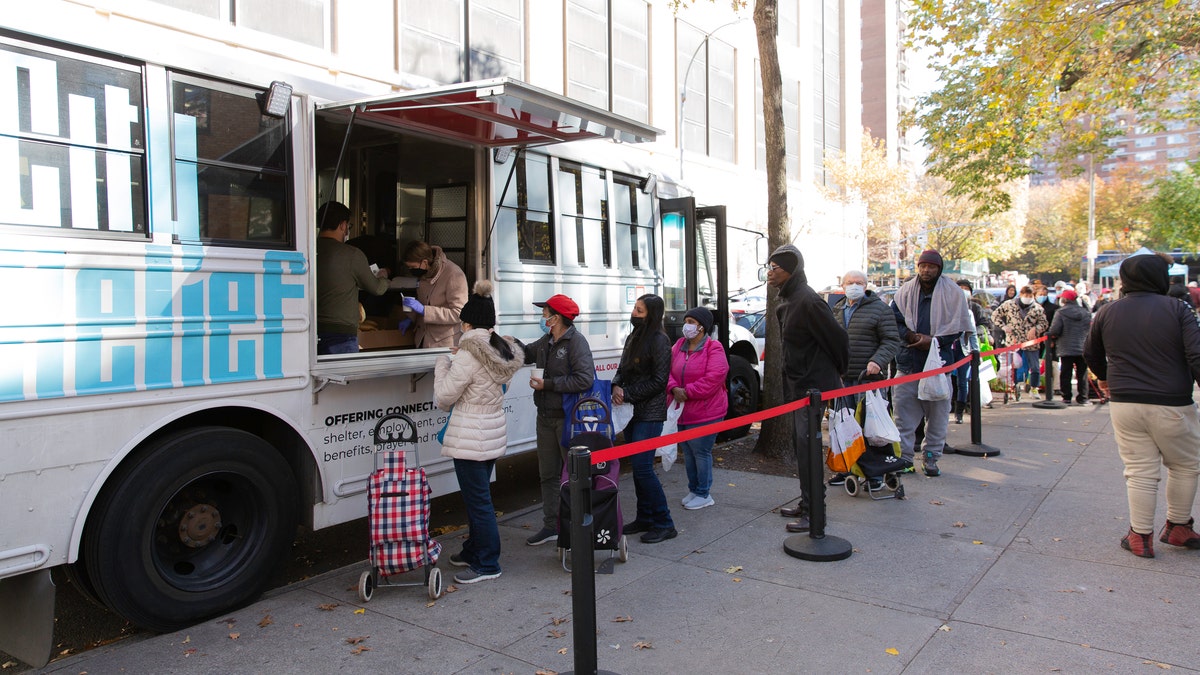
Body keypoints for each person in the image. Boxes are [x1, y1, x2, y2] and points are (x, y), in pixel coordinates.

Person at [1084, 253, 1200, 558]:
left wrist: (1107, 379)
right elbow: (1196, 355)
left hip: (1124, 403)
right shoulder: (1178, 308)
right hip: (1172, 402)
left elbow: (1091, 353)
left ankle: (1140, 536)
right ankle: (1177, 526)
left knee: (1139, 471)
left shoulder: (1108, 311)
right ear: (1161, 278)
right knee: (1186, 465)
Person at [433, 281, 524, 584]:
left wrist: (442, 365)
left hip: (470, 435)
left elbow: (444, 398)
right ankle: (473, 551)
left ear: (467, 323)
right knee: (478, 498)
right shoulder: (501, 348)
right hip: (491, 431)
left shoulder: (467, 354)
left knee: (479, 502)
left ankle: (487, 564)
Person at [767, 245, 848, 532]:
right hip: (797, 388)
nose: (769, 273)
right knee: (801, 449)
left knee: (809, 449)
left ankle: (815, 512)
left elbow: (838, 341)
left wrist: (836, 374)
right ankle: (806, 502)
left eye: (774, 268)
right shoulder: (788, 301)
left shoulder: (809, 301)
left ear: (790, 270)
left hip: (812, 390)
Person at [511, 294, 594, 547]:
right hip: (544, 417)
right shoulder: (547, 341)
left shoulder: (576, 343)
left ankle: (577, 527)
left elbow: (585, 379)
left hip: (567, 419)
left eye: (545, 312)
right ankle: (551, 526)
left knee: (573, 475)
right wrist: (505, 341)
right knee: (547, 474)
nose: (542, 317)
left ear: (556, 318)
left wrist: (548, 384)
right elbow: (525, 354)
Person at [890, 249, 972, 477]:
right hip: (908, 364)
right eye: (922, 266)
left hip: (939, 366)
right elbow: (894, 320)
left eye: (931, 266)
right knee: (904, 417)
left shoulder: (953, 293)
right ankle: (904, 459)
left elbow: (958, 327)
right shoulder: (905, 291)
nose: (926, 270)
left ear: (939, 268)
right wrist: (912, 337)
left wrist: (934, 341)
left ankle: (930, 458)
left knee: (937, 419)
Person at [612, 294, 676, 544]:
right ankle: (645, 517)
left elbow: (660, 382)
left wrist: (628, 394)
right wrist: (616, 386)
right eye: (634, 308)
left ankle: (664, 522)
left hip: (649, 413)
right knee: (639, 470)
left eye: (639, 310)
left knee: (642, 468)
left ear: (651, 314)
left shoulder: (660, 341)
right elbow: (621, 368)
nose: (634, 313)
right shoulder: (634, 337)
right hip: (630, 413)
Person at [828, 269, 901, 486]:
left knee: (870, 430)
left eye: (859, 282)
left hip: (867, 380)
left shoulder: (880, 310)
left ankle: (874, 474)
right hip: (842, 379)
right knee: (843, 426)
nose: (854, 286)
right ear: (843, 286)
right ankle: (847, 468)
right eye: (850, 282)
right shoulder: (837, 310)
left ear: (866, 286)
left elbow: (891, 341)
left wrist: (877, 361)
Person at [667, 307, 729, 512]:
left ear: (702, 327)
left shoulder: (714, 347)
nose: (687, 325)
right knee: (688, 451)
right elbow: (667, 371)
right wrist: (674, 388)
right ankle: (694, 489)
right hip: (683, 410)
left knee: (701, 451)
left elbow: (714, 378)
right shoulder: (678, 346)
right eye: (687, 321)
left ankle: (704, 493)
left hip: (707, 411)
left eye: (692, 321)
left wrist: (687, 391)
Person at [315, 201, 390, 355]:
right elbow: (376, 288)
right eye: (348, 226)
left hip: (310, 331)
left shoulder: (307, 250)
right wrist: (385, 277)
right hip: (341, 336)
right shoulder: (351, 254)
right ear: (343, 225)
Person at [398, 241, 468, 349]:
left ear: (425, 262)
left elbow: (458, 313)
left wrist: (424, 310)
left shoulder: (454, 275)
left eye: (413, 267)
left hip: (445, 343)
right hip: (423, 338)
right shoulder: (425, 273)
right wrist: (411, 318)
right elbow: (424, 301)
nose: (411, 271)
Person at [993, 285, 1048, 400]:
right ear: (1021, 295)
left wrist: (1036, 329)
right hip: (1013, 341)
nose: (1027, 297)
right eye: (1025, 295)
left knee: (1035, 367)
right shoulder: (1009, 304)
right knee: (1012, 368)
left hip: (1031, 343)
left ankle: (1033, 388)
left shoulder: (1038, 308)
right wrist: (1004, 327)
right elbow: (995, 316)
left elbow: (1044, 323)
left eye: (1030, 295)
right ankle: (1012, 388)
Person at [1047, 288, 1091, 406]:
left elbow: (1055, 330)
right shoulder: (1085, 313)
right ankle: (1083, 397)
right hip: (1082, 346)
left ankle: (1066, 397)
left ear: (1065, 299)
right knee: (1082, 373)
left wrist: (1051, 337)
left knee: (1066, 373)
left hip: (1066, 347)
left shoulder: (1060, 312)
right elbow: (1089, 329)